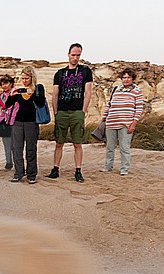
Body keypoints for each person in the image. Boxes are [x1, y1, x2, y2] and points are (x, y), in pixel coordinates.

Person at [48, 43, 93, 183]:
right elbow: (55, 94)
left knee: (77, 143)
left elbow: (88, 92)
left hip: (77, 112)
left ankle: (78, 170)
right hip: (62, 111)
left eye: (78, 55)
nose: (75, 58)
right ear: (68, 54)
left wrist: (83, 111)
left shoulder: (85, 71)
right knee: (59, 142)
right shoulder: (60, 73)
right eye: (73, 55)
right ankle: (55, 169)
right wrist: (56, 112)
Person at [5, 66, 47, 184]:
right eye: (22, 78)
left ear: (32, 78)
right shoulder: (19, 89)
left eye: (26, 78)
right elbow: (7, 105)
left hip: (32, 122)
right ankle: (18, 173)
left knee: (31, 149)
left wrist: (32, 94)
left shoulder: (39, 88)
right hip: (18, 122)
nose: (24, 81)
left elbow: (41, 103)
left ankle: (31, 174)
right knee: (17, 148)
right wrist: (12, 95)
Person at [101, 68, 144, 176]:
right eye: (124, 77)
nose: (126, 80)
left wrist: (134, 123)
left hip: (126, 123)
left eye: (128, 77)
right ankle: (108, 166)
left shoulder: (137, 91)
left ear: (132, 79)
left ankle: (124, 168)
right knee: (109, 147)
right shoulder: (115, 89)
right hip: (111, 122)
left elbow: (139, 108)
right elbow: (109, 105)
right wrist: (104, 119)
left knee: (124, 147)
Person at [0, 75, 16, 171]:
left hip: (15, 121)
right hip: (5, 121)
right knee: (6, 143)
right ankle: (9, 162)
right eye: (2, 84)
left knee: (15, 144)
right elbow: (1, 109)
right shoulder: (1, 96)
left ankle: (17, 162)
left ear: (11, 83)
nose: (4, 86)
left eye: (6, 83)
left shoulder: (16, 93)